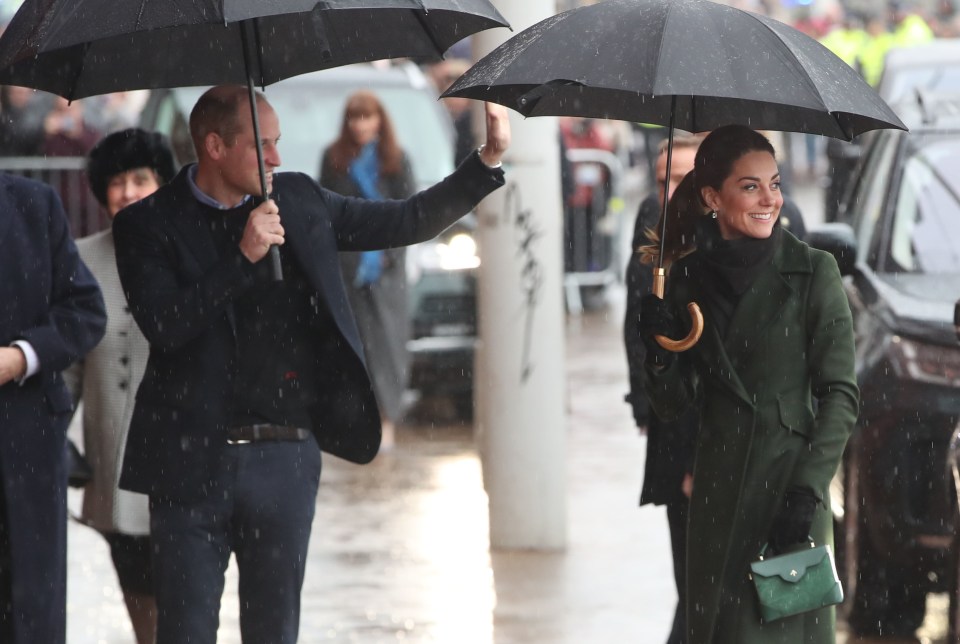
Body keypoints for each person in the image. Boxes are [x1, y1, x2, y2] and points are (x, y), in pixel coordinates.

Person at [111, 85, 510, 644]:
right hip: (186, 462)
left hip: (284, 459)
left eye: (278, 143)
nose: (277, 157)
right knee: (184, 632)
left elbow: (406, 220)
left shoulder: (297, 200)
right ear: (215, 147)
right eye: (262, 145)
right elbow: (166, 325)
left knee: (275, 633)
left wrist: (486, 162)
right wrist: (240, 258)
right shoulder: (145, 224)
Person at [636, 125, 858, 643]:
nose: (770, 199)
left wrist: (807, 489)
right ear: (713, 196)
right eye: (751, 186)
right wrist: (659, 349)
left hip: (789, 497)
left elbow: (840, 396)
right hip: (716, 496)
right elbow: (672, 404)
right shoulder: (686, 278)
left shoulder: (813, 272)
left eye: (774, 184)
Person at [63, 128, 177, 644]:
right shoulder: (79, 261)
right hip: (112, 471)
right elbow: (68, 367)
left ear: (162, 183)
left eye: (140, 179)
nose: (128, 192)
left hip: (181, 468)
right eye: (117, 182)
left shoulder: (187, 255)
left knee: (188, 610)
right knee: (142, 615)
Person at [0, 174, 106, 643]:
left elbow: (85, 310)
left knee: (30, 616)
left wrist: (21, 356)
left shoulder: (33, 204)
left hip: (26, 448)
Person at [624, 132, 702, 644]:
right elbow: (635, 322)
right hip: (675, 429)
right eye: (661, 180)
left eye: (681, 180)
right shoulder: (654, 222)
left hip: (733, 450)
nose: (667, 192)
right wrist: (644, 397)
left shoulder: (755, 243)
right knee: (692, 583)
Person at [319, 91, 415, 449]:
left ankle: (387, 421)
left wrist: (390, 257)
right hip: (347, 271)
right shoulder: (333, 159)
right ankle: (357, 424)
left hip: (387, 273)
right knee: (353, 349)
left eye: (366, 117)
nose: (360, 124)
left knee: (388, 349)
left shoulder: (395, 159)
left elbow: (410, 211)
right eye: (354, 118)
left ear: (379, 120)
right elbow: (323, 213)